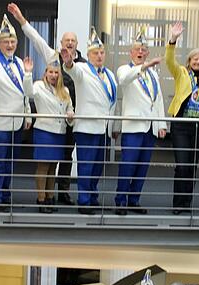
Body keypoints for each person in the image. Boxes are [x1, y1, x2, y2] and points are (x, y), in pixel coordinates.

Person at [7, 2, 84, 206]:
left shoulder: (83, 65)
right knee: (46, 164)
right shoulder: (53, 57)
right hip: (49, 122)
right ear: (61, 42)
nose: (69, 43)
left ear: (77, 44)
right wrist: (21, 20)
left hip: (71, 118)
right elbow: (36, 38)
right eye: (66, 40)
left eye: (72, 40)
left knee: (66, 158)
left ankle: (63, 192)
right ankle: (45, 197)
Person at [61, 27, 117, 215]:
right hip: (86, 128)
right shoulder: (83, 69)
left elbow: (112, 100)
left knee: (97, 167)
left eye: (101, 53)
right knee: (85, 166)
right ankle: (84, 201)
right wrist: (68, 63)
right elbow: (72, 70)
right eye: (95, 53)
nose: (99, 56)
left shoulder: (109, 74)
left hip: (103, 128)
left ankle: (92, 197)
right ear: (88, 54)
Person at [0, 15, 32, 211]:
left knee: (10, 162)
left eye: (12, 41)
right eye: (6, 42)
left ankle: (4, 194)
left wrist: (27, 114)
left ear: (17, 43)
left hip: (17, 122)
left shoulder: (20, 63)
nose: (10, 44)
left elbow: (26, 93)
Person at [114, 27, 167, 215]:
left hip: (150, 128)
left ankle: (134, 199)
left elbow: (158, 99)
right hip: (133, 128)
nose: (140, 53)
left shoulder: (153, 74)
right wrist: (144, 66)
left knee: (142, 167)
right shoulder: (124, 69)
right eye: (137, 50)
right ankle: (120, 201)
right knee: (128, 165)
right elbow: (123, 80)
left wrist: (161, 124)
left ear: (148, 53)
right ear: (130, 53)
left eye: (144, 50)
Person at [165, 22, 199, 214]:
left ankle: (187, 203)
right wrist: (173, 40)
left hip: (198, 127)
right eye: (195, 59)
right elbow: (169, 60)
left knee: (192, 166)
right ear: (189, 61)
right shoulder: (181, 73)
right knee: (183, 165)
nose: (198, 62)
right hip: (181, 126)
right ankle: (178, 203)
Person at [22, 55, 74, 213]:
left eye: (56, 72)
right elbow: (28, 92)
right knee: (43, 167)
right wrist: (28, 73)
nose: (53, 75)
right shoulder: (38, 85)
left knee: (53, 167)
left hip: (59, 133)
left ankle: (50, 197)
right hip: (44, 131)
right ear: (45, 73)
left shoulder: (64, 90)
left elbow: (69, 108)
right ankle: (41, 199)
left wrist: (71, 113)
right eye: (50, 72)